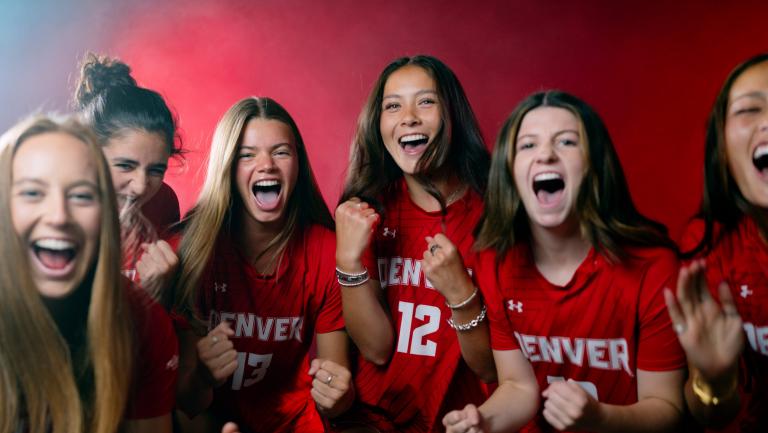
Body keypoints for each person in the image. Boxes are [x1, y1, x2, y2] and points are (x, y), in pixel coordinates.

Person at [448, 90, 686, 432]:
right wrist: (483, 422)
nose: (545, 154)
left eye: (566, 142)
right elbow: (519, 386)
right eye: (528, 145)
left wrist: (601, 419)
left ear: (593, 165)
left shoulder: (653, 268)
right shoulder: (496, 261)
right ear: (510, 172)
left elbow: (667, 408)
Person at [335, 55, 537, 432]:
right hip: (374, 422)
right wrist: (348, 260)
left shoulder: (497, 214)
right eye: (392, 106)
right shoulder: (367, 209)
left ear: (452, 117)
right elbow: (376, 348)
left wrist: (461, 293)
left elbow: (489, 367)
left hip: (462, 421)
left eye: (425, 101)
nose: (408, 116)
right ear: (378, 124)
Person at [172, 97, 353, 432]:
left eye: (281, 151)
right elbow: (188, 403)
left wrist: (339, 395)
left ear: (298, 164)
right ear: (227, 165)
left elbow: (335, 386)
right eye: (247, 154)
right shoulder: (192, 251)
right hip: (210, 423)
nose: (267, 164)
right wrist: (203, 375)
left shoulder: (326, 250)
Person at [0, 115, 177, 433]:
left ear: (107, 212)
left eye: (81, 195)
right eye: (32, 193)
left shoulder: (143, 320)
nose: (58, 216)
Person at [665, 53, 768, 432]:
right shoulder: (708, 244)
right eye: (749, 110)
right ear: (723, 148)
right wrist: (715, 379)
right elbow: (709, 412)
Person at [74, 53, 182, 300]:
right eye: (125, 165)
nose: (141, 186)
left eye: (156, 170)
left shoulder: (162, 201)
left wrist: (161, 294)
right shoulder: (53, 210)